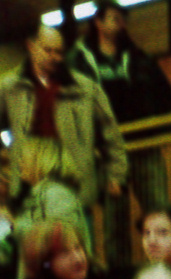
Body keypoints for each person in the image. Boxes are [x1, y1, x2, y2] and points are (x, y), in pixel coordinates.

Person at [68, 0, 171, 271]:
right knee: (114, 221)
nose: (121, 24)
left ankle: (166, 268)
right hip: (107, 153)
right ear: (98, 22)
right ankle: (119, 276)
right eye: (114, 18)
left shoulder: (139, 58)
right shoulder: (78, 61)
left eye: (123, 19)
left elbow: (167, 98)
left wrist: (157, 130)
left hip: (144, 146)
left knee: (158, 210)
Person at [0, 18, 127, 243]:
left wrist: (116, 174)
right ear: (31, 46)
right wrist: (5, 161)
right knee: (31, 247)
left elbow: (110, 133)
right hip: (27, 186)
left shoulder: (85, 88)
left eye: (59, 52)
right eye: (48, 50)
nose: (54, 57)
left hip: (74, 183)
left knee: (76, 244)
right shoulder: (9, 87)